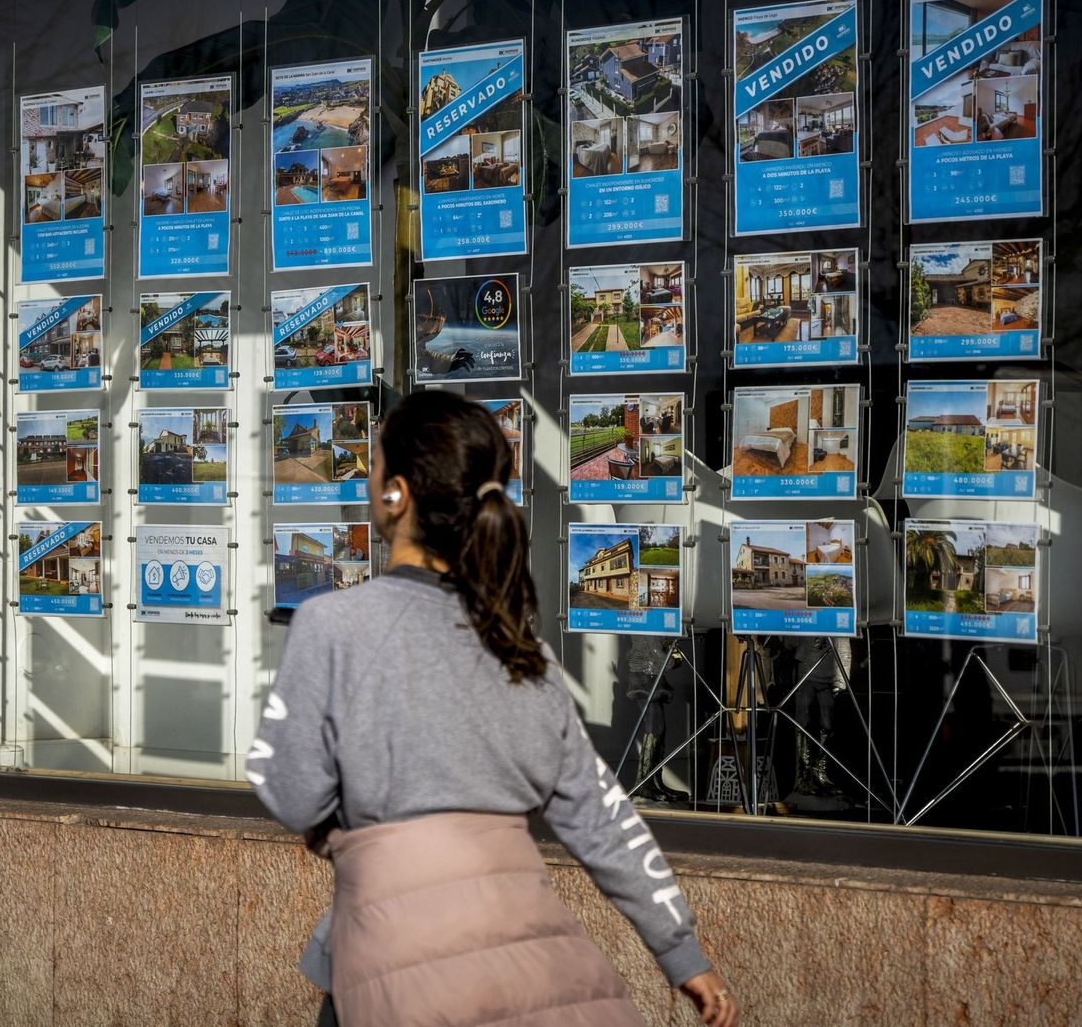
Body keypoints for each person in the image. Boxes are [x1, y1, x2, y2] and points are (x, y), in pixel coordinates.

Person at [247, 390, 738, 1027]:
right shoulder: (523, 652)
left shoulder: (333, 625)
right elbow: (602, 819)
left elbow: (289, 790)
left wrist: (348, 826)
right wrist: (683, 952)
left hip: (394, 961)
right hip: (535, 966)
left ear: (394, 494)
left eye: (369, 463)